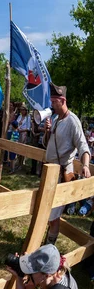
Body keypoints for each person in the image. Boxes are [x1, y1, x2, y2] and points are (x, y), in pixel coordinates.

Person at [43, 84, 90, 245]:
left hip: (62, 173)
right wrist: (47, 131)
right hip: (49, 171)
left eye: (54, 101)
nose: (52, 105)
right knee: (47, 210)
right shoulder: (56, 119)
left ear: (63, 100)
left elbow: (83, 146)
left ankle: (49, 247)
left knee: (54, 214)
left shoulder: (72, 121)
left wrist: (84, 165)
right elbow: (47, 144)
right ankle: (47, 244)